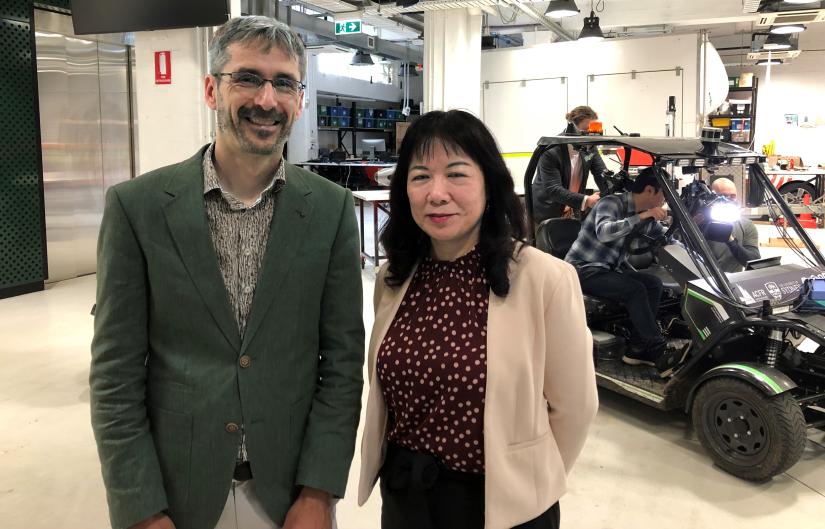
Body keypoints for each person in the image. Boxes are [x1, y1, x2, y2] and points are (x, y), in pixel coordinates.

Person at [90, 16, 364, 529]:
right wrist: (140, 508)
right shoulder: (138, 208)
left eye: (284, 82)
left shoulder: (329, 211)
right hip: (178, 494)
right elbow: (115, 377)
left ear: (300, 100)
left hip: (286, 495)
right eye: (248, 78)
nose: (267, 99)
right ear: (212, 89)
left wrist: (318, 490)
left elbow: (343, 365)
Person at [357, 110, 598, 529]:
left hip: (504, 505)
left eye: (456, 174)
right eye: (419, 177)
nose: (437, 193)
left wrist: (531, 481)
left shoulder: (544, 279)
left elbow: (575, 408)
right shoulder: (393, 278)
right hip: (405, 498)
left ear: (490, 183)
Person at [564, 167, 681, 376]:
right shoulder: (610, 203)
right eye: (664, 194)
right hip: (582, 269)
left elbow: (665, 239)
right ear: (649, 190)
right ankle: (658, 350)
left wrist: (690, 253)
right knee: (634, 289)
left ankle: (637, 349)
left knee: (654, 284)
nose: (664, 200)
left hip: (609, 270)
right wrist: (644, 216)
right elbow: (605, 232)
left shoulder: (647, 217)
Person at [531, 105, 608, 223]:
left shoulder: (589, 147)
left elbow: (601, 174)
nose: (589, 138)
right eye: (585, 131)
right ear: (572, 128)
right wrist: (587, 200)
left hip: (572, 208)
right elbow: (554, 189)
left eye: (592, 132)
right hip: (548, 211)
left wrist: (612, 191)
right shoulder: (551, 150)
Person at [709, 178, 760, 273]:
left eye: (732, 196)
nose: (728, 200)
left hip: (731, 282)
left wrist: (731, 241)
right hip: (701, 280)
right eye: (722, 196)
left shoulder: (745, 225)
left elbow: (754, 261)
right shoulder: (700, 221)